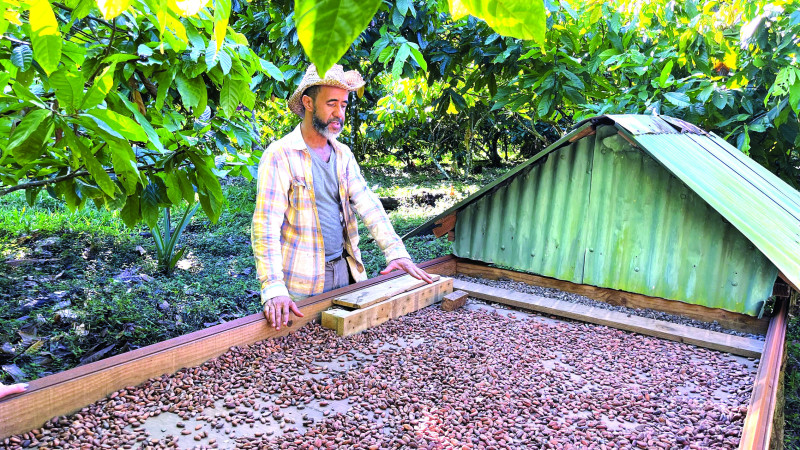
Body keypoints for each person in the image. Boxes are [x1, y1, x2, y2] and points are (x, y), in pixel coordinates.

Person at [252, 64, 434, 330]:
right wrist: (273, 286)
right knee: (306, 345)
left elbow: (368, 205)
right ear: (308, 103)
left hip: (346, 271)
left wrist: (396, 252)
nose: (339, 113)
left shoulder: (343, 154)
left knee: (350, 343)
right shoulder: (280, 155)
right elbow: (265, 225)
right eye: (331, 104)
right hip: (302, 280)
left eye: (344, 105)